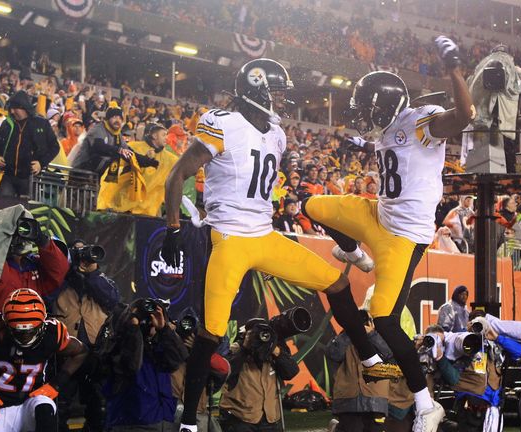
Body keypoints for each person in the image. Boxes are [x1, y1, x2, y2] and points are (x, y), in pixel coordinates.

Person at [160, 58, 398, 432]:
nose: (284, 101)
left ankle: (369, 357)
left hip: (265, 234)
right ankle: (189, 421)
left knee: (337, 284)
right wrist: (173, 229)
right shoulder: (223, 124)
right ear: (257, 92)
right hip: (230, 238)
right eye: (279, 93)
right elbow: (177, 175)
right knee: (212, 332)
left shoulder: (276, 134)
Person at [302, 35, 474, 432]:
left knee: (384, 318)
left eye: (367, 111)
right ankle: (353, 253)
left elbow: (464, 114)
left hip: (403, 237)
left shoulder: (420, 122)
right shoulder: (387, 126)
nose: (364, 118)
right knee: (314, 206)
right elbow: (385, 143)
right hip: (376, 216)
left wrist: (454, 68)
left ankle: (426, 404)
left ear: (387, 107)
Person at [0, 289, 88, 432]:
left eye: (30, 331)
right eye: (19, 332)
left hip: (33, 400)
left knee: (45, 409)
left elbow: (81, 352)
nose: (25, 337)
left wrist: (55, 385)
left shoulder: (51, 334)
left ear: (42, 324)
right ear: (5, 323)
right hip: (1, 407)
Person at [52, 240, 119, 432]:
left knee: (98, 406)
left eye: (87, 252)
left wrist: (92, 274)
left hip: (95, 355)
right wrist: (69, 271)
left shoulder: (101, 280)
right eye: (79, 252)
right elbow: (48, 294)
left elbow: (112, 299)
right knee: (59, 405)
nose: (84, 257)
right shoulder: (59, 280)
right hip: (64, 354)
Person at [0, 208, 70, 321]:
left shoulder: (34, 265)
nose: (20, 234)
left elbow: (59, 273)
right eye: (13, 230)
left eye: (24, 228)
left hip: (29, 334)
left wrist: (42, 240)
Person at [102, 298, 189, 430]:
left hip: (160, 419)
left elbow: (177, 360)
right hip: (129, 422)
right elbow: (132, 364)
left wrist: (163, 329)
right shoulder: (119, 344)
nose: (150, 322)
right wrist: (133, 326)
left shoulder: (157, 345)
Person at [219, 319, 300, 432]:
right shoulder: (235, 349)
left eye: (264, 334)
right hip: (239, 418)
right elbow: (225, 372)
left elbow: (291, 372)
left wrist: (275, 349)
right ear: (245, 335)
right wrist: (245, 348)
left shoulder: (272, 352)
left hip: (269, 420)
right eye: (255, 334)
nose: (260, 338)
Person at [327, 310, 392, 432]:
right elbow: (334, 354)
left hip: (375, 399)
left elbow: (388, 354)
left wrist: (372, 334)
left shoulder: (379, 337)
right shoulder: (342, 338)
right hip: (348, 398)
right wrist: (349, 331)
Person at [97, 122, 176, 216]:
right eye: (163, 134)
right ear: (154, 135)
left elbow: (184, 166)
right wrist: (107, 200)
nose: (166, 138)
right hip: (122, 206)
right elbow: (113, 171)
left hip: (147, 211)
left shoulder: (170, 158)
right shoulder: (133, 147)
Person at [0, 90, 60, 197]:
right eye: (11, 108)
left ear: (24, 107)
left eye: (15, 108)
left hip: (30, 178)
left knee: (26, 210)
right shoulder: (7, 123)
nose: (12, 111)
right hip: (8, 175)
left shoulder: (41, 123)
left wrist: (41, 163)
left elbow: (55, 147)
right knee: (3, 206)